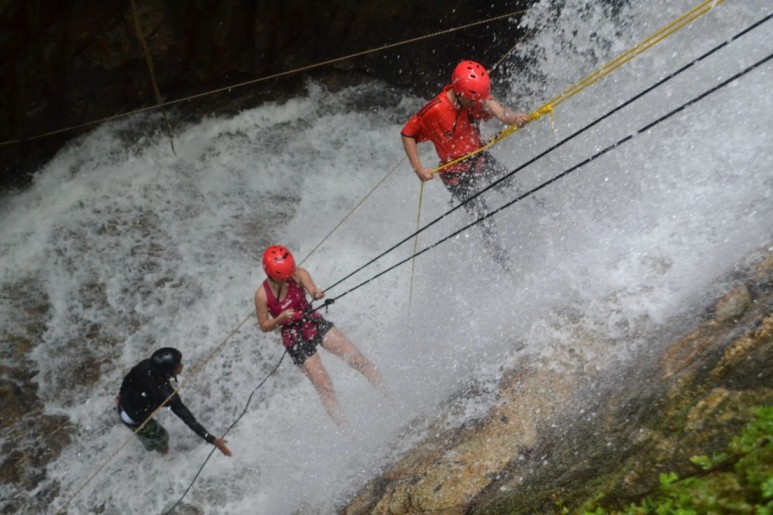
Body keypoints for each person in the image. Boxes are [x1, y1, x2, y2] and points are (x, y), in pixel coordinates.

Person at [401, 60, 531, 265]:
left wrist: (516, 118)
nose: (478, 104)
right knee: (485, 218)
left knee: (515, 188)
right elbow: (408, 133)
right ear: (460, 93)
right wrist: (418, 168)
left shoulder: (476, 96)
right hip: (455, 175)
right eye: (473, 101)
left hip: (479, 159)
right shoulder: (435, 110)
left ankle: (548, 215)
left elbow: (501, 113)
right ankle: (504, 264)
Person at [254, 244, 386, 427]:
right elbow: (264, 325)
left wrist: (317, 293)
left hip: (311, 320)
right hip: (293, 337)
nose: (287, 280)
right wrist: (279, 319)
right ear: (270, 274)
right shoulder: (262, 295)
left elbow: (312, 290)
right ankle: (349, 432)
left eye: (288, 275)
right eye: (282, 278)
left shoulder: (298, 274)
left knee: (357, 358)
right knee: (324, 385)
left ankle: (389, 395)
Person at [115, 347, 232, 457]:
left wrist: (120, 394)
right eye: (178, 365)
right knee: (162, 437)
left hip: (124, 403)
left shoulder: (145, 365)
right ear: (167, 372)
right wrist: (212, 440)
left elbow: (129, 378)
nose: (182, 365)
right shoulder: (165, 395)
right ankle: (162, 457)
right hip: (133, 418)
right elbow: (189, 420)